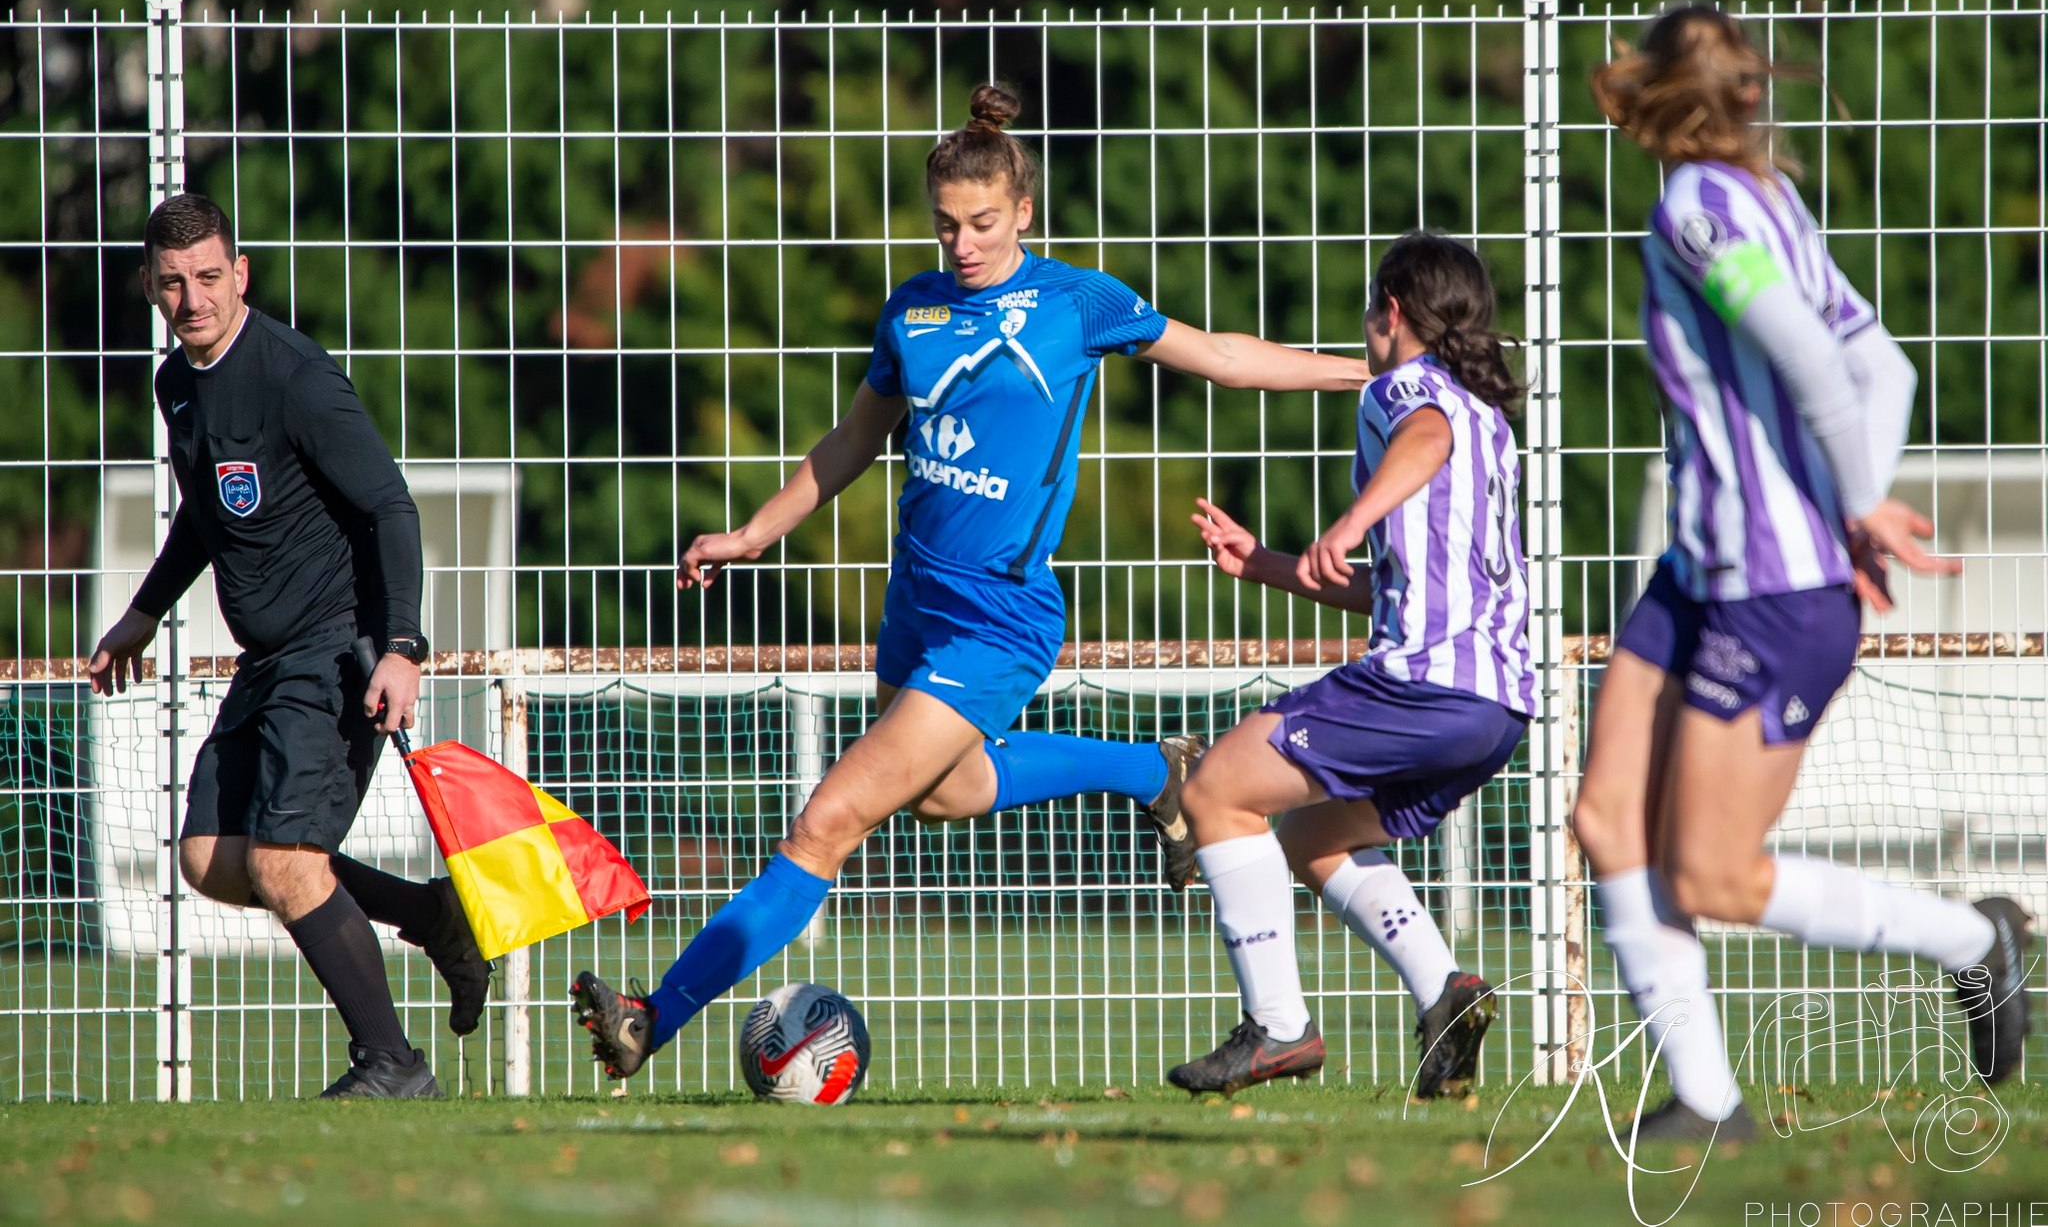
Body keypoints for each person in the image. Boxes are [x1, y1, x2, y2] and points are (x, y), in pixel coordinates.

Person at [571, 84, 1377, 1080]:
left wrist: (1369, 374)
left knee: (826, 823)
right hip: (914, 603)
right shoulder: (910, 310)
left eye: (983, 223)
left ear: (1022, 212)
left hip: (998, 622)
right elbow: (851, 444)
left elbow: (1220, 357)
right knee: (947, 794)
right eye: (946, 224)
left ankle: (654, 1013)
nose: (962, 244)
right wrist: (752, 532)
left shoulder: (1076, 303)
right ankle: (1152, 771)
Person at [1572, 4, 2033, 1142]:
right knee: (1600, 817)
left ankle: (1973, 941)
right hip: (1702, 569)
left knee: (1714, 876)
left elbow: (1816, 361)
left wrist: (1852, 508)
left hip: (1764, 588)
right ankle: (1706, 1099)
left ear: (1650, 93)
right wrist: (1853, 499)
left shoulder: (1698, 210)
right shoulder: (1770, 201)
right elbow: (1889, 364)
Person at [88, 193, 492, 1099]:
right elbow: (206, 510)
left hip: (338, 646)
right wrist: (146, 611)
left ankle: (392, 1064)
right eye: (171, 283)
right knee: (210, 855)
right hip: (267, 659)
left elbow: (391, 505)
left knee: (284, 861)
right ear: (151, 290)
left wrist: (402, 647)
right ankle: (432, 914)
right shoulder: (177, 384)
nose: (192, 297)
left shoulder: (296, 377)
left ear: (241, 275)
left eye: (207, 277)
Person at [1165, 231, 1532, 1099]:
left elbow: (1423, 435)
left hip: (1426, 683)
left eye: (1372, 313)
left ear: (1392, 311)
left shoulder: (1417, 390)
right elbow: (1396, 589)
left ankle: (1278, 1028)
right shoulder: (1492, 419)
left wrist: (1353, 516)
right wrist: (1266, 562)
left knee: (1216, 787)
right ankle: (1446, 991)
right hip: (1495, 705)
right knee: (1315, 836)